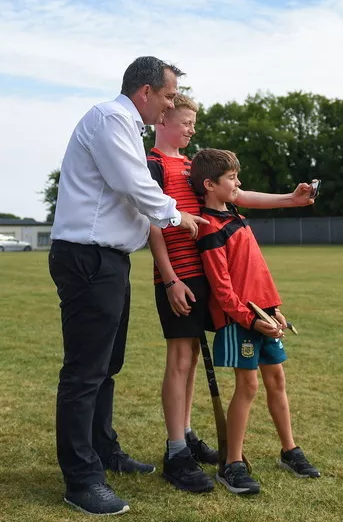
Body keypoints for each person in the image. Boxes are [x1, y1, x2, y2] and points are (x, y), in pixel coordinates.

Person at [47, 56, 208, 516]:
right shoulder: (110, 119)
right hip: (88, 257)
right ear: (145, 92)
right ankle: (81, 479)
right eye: (169, 96)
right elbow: (132, 185)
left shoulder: (125, 126)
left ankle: (103, 450)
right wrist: (178, 215)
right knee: (84, 371)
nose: (170, 104)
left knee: (107, 364)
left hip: (110, 260)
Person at [146, 96, 315, 493]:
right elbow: (151, 221)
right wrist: (169, 279)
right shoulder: (152, 165)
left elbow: (236, 195)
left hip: (204, 276)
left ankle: (185, 435)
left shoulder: (192, 165)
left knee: (192, 359)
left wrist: (290, 200)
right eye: (185, 121)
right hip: (179, 276)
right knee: (181, 358)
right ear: (162, 117)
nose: (191, 129)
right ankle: (176, 451)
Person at [189, 148, 321, 495]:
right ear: (209, 185)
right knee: (248, 387)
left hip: (264, 315)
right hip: (239, 322)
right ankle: (232, 464)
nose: (238, 183)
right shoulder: (209, 229)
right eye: (232, 178)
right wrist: (250, 318)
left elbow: (257, 273)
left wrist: (273, 308)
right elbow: (222, 290)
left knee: (277, 379)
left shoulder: (234, 214)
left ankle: (290, 450)